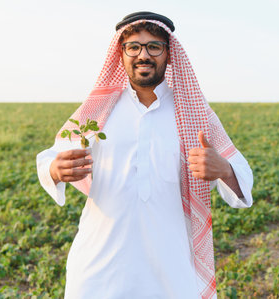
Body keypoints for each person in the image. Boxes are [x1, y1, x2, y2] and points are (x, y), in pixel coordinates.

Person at [36, 12, 253, 299]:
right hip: (100, 264)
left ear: (169, 53)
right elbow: (51, 158)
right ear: (121, 53)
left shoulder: (195, 114)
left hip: (171, 266)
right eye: (134, 46)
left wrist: (223, 169)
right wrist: (55, 170)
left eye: (154, 46)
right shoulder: (98, 111)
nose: (143, 55)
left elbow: (242, 180)